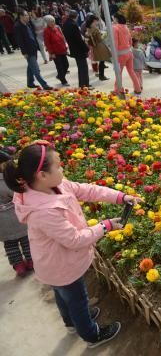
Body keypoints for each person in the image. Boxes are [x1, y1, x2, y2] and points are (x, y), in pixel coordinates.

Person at [5, 142, 142, 348]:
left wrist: (120, 197)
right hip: (62, 266)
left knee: (63, 296)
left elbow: (87, 190)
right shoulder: (44, 211)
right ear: (42, 174)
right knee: (77, 300)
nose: (63, 169)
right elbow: (75, 240)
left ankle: (71, 322)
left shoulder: (50, 185)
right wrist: (105, 226)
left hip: (53, 262)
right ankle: (91, 334)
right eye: (59, 166)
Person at [0, 149, 31, 277]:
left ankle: (19, 266)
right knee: (25, 240)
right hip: (15, 216)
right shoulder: (5, 180)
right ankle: (31, 261)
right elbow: (15, 194)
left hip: (2, 223)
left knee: (10, 244)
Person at [13, 10, 52, 90]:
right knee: (36, 69)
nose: (28, 17)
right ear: (21, 16)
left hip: (33, 49)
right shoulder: (17, 26)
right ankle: (44, 85)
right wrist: (24, 52)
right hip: (28, 51)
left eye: (28, 15)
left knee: (30, 67)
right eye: (26, 15)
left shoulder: (28, 24)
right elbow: (20, 41)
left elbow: (32, 36)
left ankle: (30, 83)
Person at [113, 13, 142, 95]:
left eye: (114, 19)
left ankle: (117, 90)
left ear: (117, 19)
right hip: (129, 52)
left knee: (119, 73)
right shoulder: (126, 27)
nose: (113, 20)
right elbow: (130, 41)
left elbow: (115, 42)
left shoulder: (115, 28)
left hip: (120, 54)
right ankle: (138, 88)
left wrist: (114, 54)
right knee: (131, 71)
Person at [63, 10, 90, 89]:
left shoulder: (65, 24)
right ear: (76, 16)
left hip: (74, 49)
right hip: (79, 50)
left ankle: (82, 84)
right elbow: (79, 39)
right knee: (83, 68)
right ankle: (85, 86)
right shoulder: (73, 24)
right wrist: (86, 48)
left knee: (81, 67)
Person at [43, 15, 69, 86]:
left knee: (66, 65)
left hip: (62, 49)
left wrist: (65, 48)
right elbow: (47, 43)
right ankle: (63, 81)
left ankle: (60, 76)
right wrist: (51, 53)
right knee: (60, 67)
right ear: (47, 23)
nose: (52, 23)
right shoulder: (46, 31)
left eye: (53, 21)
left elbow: (62, 38)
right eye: (50, 22)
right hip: (55, 52)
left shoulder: (57, 28)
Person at [85, 15, 110, 81]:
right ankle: (102, 76)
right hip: (99, 46)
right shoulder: (95, 29)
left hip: (93, 46)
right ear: (93, 21)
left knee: (99, 61)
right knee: (102, 61)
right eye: (96, 21)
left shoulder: (88, 28)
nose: (97, 22)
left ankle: (100, 75)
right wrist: (104, 35)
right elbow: (99, 39)